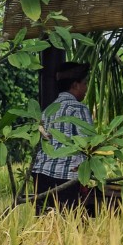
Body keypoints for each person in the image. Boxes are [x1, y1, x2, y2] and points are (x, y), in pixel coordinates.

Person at [31, 63, 99, 212]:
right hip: (66, 177)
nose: (86, 88)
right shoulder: (78, 108)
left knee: (44, 224)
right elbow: (88, 144)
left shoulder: (48, 110)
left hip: (41, 174)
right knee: (69, 225)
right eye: (85, 83)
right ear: (75, 85)